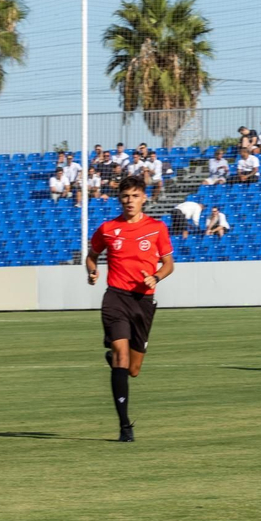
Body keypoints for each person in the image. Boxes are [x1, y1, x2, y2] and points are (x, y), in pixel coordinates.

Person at [86, 175, 175, 443]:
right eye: (125, 196)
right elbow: (92, 256)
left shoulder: (157, 228)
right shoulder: (108, 228)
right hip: (115, 298)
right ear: (119, 199)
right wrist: (92, 271)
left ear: (144, 198)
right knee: (122, 357)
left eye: (135, 196)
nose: (129, 200)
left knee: (133, 369)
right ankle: (125, 426)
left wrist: (156, 277)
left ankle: (116, 362)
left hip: (143, 302)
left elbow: (169, 264)